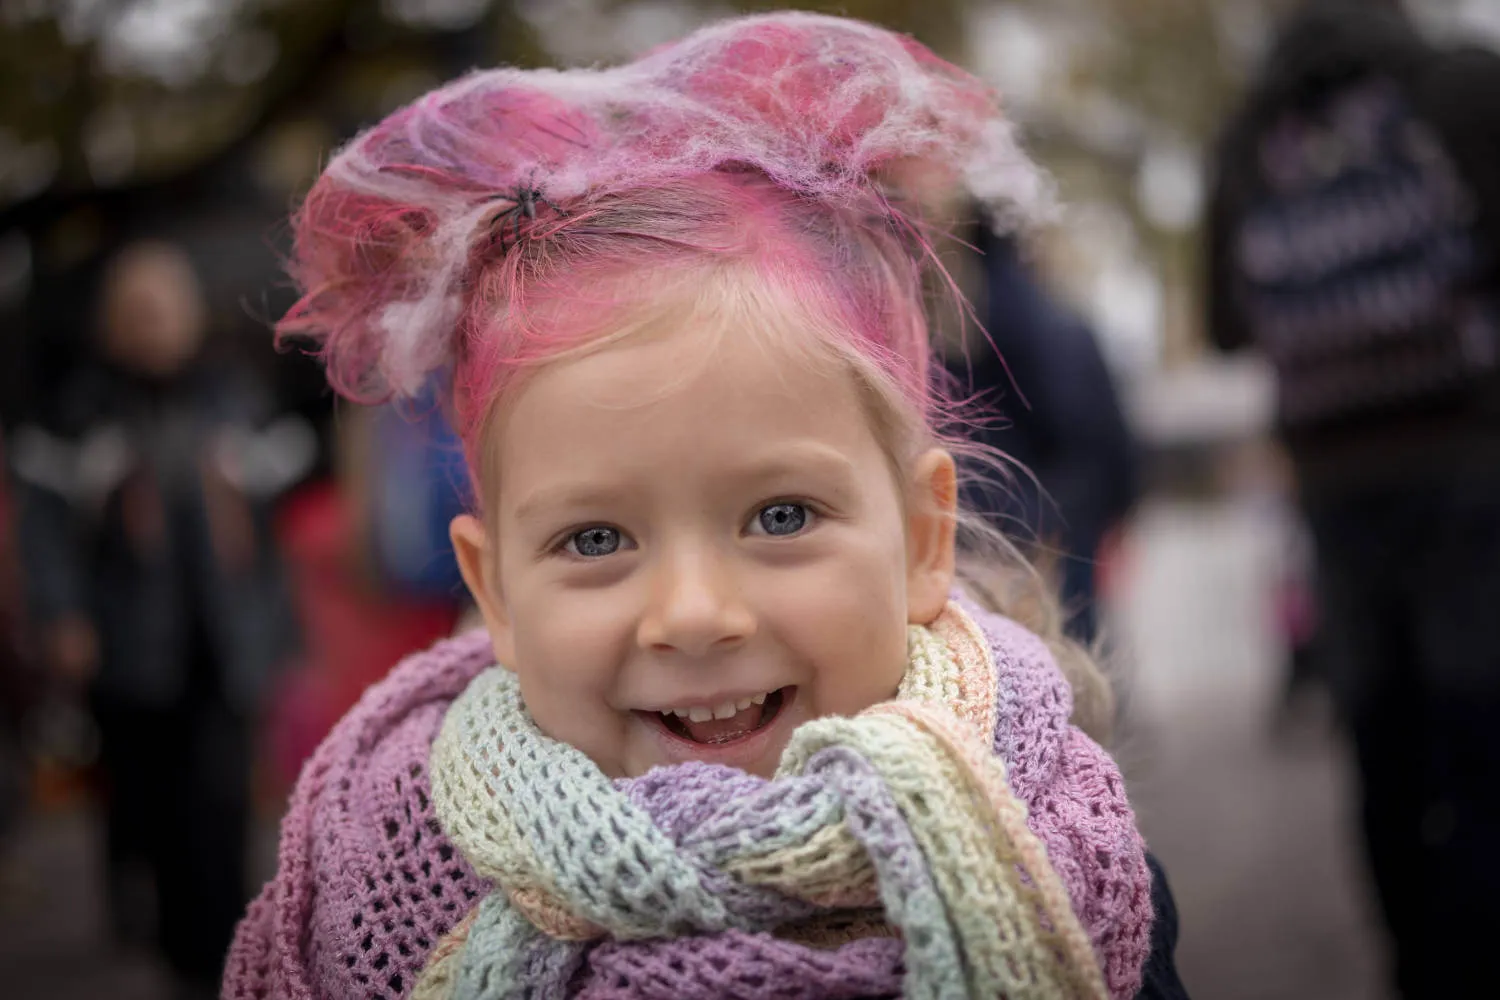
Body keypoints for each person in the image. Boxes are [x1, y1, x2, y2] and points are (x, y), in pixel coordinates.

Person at [225, 14, 1186, 999]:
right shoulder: (377, 891)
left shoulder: (1065, 880)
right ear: (497, 592)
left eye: (781, 517)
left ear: (921, 538)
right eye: (596, 538)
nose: (692, 615)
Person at [1204, 2, 1500, 994]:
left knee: (1383, 747)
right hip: (1471, 471)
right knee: (1481, 734)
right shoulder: (1458, 86)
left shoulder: (1251, 131)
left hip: (1337, 489)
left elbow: (1224, 324)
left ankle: (1417, 963)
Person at [10, 239, 304, 996]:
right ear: (110, 324)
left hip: (223, 642)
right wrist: (62, 613)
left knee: (221, 803)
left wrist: (275, 622)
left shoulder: (232, 398)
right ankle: (171, 939)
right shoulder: (80, 412)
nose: (154, 325)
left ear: (192, 315)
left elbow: (278, 508)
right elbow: (45, 527)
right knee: (147, 801)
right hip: (128, 646)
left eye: (165, 308)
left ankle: (220, 956)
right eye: (136, 311)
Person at [952, 227, 1138, 645]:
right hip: (1069, 519)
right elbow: (1115, 441)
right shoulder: (1069, 328)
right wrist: (1119, 510)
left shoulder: (982, 327)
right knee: (1074, 637)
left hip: (1015, 522)